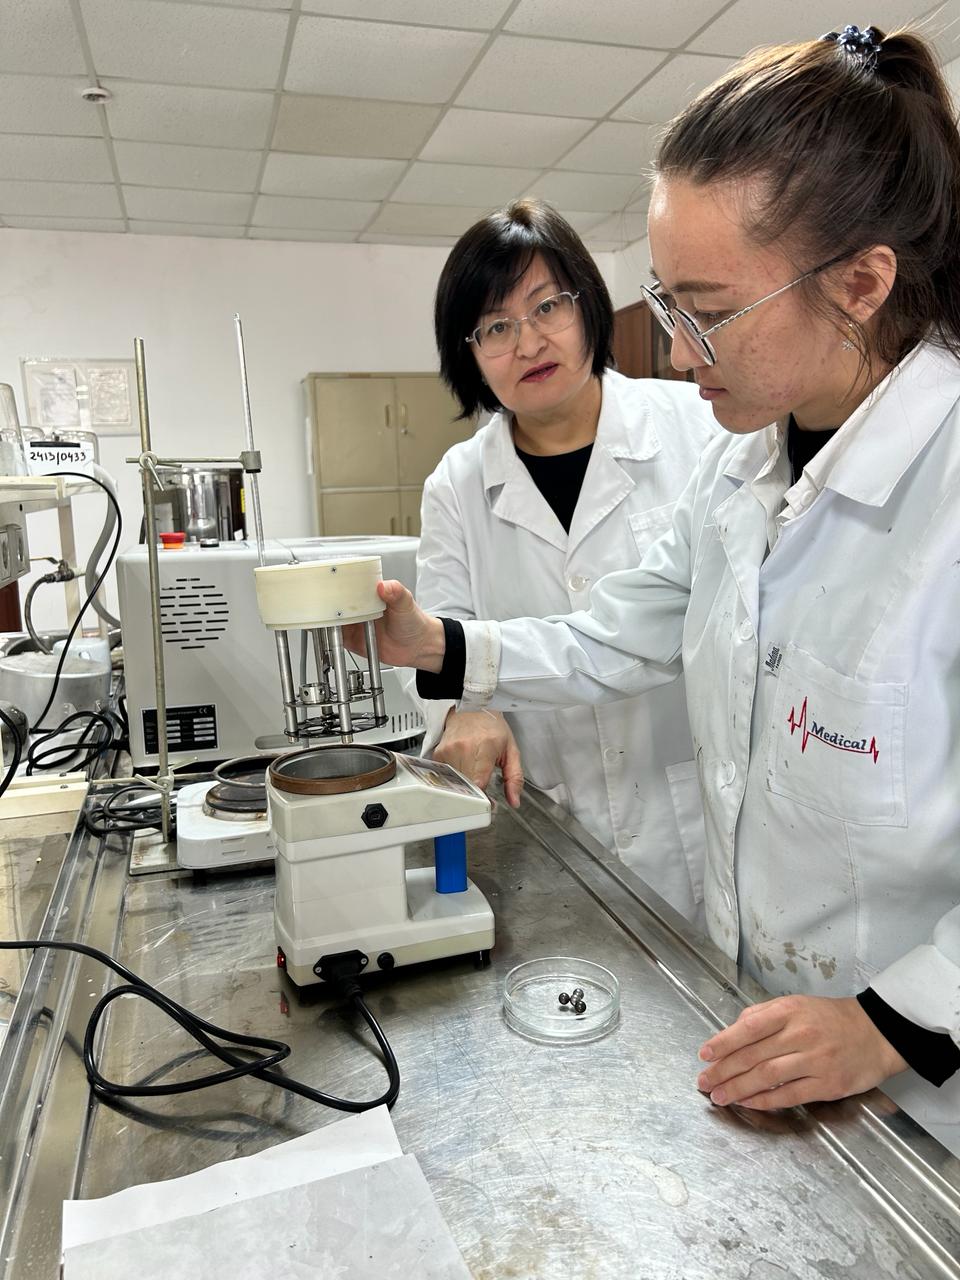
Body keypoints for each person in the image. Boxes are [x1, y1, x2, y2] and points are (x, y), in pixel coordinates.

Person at [351, 24, 960, 1144]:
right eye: (666, 303)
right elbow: (617, 632)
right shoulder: (745, 466)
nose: (677, 353)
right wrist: (445, 649)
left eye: (709, 311)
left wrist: (895, 1020)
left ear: (863, 281)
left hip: (926, 1096)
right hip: (764, 1036)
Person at [410, 199, 720, 922]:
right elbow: (442, 628)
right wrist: (465, 708)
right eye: (496, 327)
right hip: (547, 814)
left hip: (690, 814)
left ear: (588, 307)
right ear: (469, 354)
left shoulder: (700, 431)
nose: (528, 343)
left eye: (547, 306)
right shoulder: (457, 483)